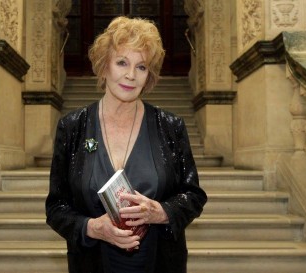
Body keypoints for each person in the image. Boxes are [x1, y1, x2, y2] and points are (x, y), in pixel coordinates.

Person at [45, 16, 207, 273]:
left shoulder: (170, 127)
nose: (131, 75)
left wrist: (161, 212)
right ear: (104, 66)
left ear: (149, 75)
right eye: (122, 62)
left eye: (141, 67)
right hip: (93, 264)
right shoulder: (73, 127)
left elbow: (193, 196)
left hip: (159, 263)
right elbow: (56, 208)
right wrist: (92, 228)